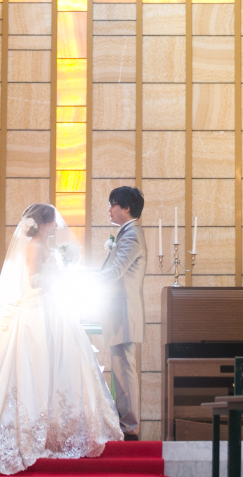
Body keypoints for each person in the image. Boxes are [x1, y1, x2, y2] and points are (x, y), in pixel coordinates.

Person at [0, 204, 121, 476]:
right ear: (44, 223)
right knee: (34, 366)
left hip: (53, 311)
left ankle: (58, 428)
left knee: (61, 365)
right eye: (53, 223)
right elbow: (35, 281)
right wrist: (59, 275)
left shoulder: (47, 247)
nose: (57, 227)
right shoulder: (35, 248)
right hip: (38, 310)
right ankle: (34, 427)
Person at [100, 186, 147, 441]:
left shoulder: (131, 236)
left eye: (112, 204)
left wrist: (87, 279)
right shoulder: (126, 233)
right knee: (120, 368)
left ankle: (130, 429)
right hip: (119, 311)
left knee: (125, 369)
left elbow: (116, 271)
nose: (110, 209)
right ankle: (126, 425)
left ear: (126, 208)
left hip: (124, 311)